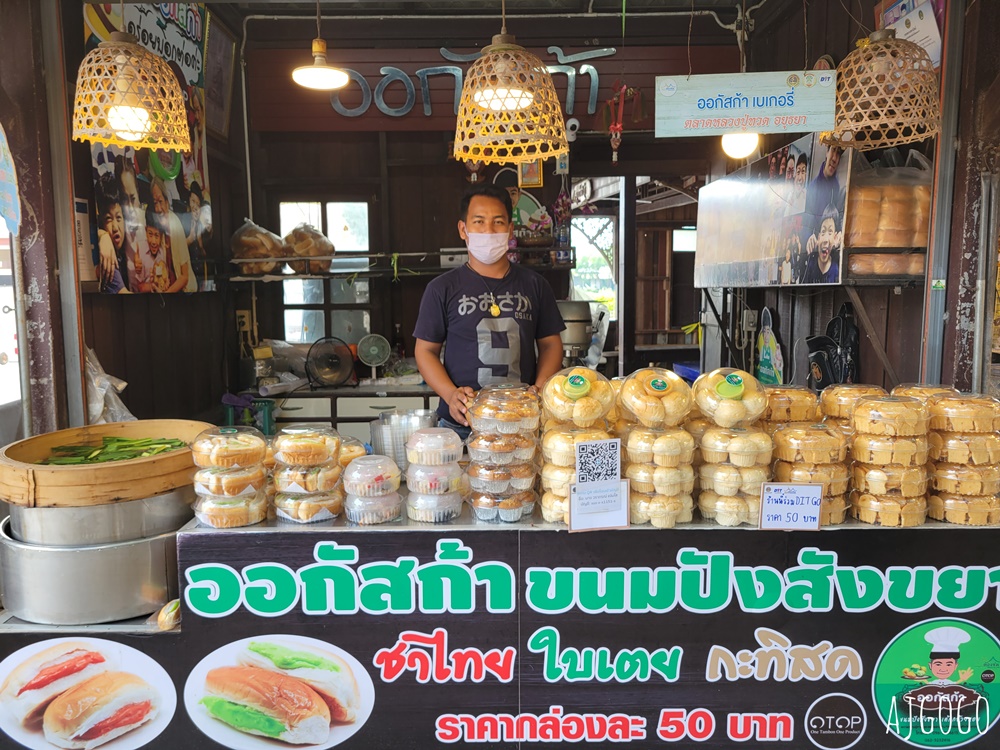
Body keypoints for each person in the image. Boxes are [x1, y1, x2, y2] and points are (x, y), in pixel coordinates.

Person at [413, 184, 565, 438]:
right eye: (479, 222)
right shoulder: (442, 288)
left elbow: (551, 344)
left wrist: (539, 389)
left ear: (510, 230)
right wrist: (450, 394)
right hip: (460, 425)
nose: (488, 230)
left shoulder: (535, 285)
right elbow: (425, 350)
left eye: (498, 222)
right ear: (463, 229)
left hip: (522, 422)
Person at [151, 176, 196, 293]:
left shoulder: (175, 226)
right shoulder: (158, 226)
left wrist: (166, 295)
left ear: (167, 202)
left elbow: (184, 277)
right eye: (155, 203)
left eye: (160, 201)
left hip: (186, 292)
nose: (158, 208)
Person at [94, 173, 130, 294]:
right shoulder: (108, 258)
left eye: (119, 218)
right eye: (108, 219)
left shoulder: (129, 245)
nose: (115, 227)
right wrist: (101, 235)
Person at [136, 207, 173, 293]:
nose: (153, 241)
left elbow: (167, 276)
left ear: (161, 235)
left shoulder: (163, 251)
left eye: (157, 236)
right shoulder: (140, 252)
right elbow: (140, 287)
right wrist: (154, 286)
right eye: (150, 234)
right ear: (145, 230)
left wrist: (166, 283)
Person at [801, 205, 842, 284]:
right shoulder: (811, 264)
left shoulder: (836, 268)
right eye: (823, 232)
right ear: (818, 237)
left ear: (835, 237)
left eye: (830, 232)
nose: (825, 239)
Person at [805, 144, 844, 223]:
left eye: (838, 153)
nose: (834, 158)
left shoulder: (836, 186)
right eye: (833, 150)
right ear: (827, 152)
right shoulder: (813, 187)